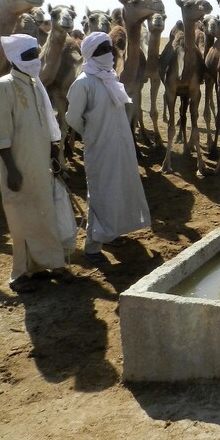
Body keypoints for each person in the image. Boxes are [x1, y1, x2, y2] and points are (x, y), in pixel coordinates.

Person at [0, 34, 68, 293]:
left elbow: (45, 125)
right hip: (18, 166)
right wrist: (11, 170)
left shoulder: (35, 85)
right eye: (29, 56)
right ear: (14, 58)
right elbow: (1, 137)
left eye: (36, 55)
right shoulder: (3, 87)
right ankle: (20, 274)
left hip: (39, 163)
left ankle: (46, 264)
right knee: (20, 217)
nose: (35, 61)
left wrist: (54, 155)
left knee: (43, 213)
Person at [66, 32, 151, 265]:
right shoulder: (84, 83)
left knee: (118, 188)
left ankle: (111, 233)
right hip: (99, 146)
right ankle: (92, 248)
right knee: (100, 193)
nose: (109, 54)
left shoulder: (110, 79)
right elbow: (73, 118)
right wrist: (93, 134)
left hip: (120, 145)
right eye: (102, 50)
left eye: (109, 49)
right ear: (91, 54)